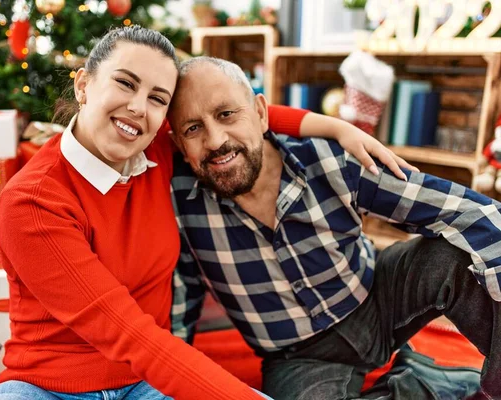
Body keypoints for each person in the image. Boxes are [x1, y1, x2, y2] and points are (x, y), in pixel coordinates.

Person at [0, 26, 413, 400]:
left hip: (144, 384)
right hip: (47, 387)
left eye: (157, 98)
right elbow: (132, 337)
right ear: (83, 86)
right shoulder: (33, 203)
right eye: (125, 84)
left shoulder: (153, 149)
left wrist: (336, 126)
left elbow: (237, 112)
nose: (138, 107)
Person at [169, 57, 501, 400]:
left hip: (377, 298)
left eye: (226, 114)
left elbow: (467, 210)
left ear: (261, 113)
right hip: (299, 358)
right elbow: (180, 305)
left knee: (465, 247)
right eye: (192, 128)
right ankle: (422, 383)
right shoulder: (179, 204)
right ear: (178, 143)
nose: (215, 139)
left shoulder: (330, 158)